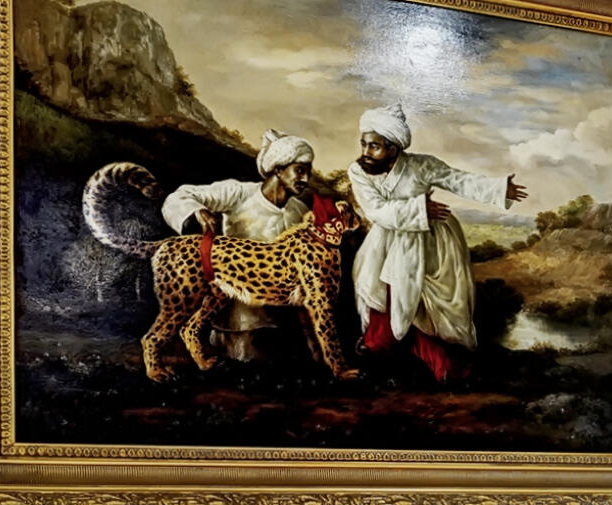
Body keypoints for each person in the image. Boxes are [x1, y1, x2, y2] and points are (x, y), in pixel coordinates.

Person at [345, 103, 523, 383]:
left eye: (374, 146)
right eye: (364, 144)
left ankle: (440, 364)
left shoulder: (420, 165)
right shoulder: (358, 172)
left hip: (428, 242)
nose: (366, 152)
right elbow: (375, 210)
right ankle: (417, 360)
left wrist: (498, 188)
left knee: (417, 305)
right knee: (385, 298)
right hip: (386, 242)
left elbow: (457, 180)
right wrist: (418, 209)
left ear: (393, 149)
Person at [160, 132, 360, 373]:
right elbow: (180, 196)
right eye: (299, 170)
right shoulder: (238, 192)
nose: (306, 179)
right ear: (278, 169)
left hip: (282, 323)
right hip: (239, 318)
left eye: (308, 171)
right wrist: (196, 211)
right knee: (250, 364)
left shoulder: (300, 211)